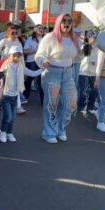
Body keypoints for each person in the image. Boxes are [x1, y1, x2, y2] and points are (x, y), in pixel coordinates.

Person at [35, 13, 79, 144]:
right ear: (59, 23)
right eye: (64, 21)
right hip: (52, 73)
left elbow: (76, 57)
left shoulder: (74, 39)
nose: (67, 23)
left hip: (68, 73)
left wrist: (84, 52)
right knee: (52, 104)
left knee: (71, 103)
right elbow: (39, 55)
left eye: (69, 21)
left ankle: (61, 129)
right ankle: (49, 132)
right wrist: (43, 61)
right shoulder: (50, 37)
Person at [0, 46, 42, 143]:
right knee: (8, 116)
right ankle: (2, 131)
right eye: (14, 56)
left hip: (15, 96)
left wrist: (43, 69)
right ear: (9, 56)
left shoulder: (21, 66)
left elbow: (32, 73)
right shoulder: (5, 66)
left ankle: (9, 133)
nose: (16, 58)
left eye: (18, 56)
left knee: (13, 118)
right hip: (6, 96)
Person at [77, 34, 98, 115]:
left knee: (94, 91)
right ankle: (80, 106)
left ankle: (90, 107)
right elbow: (82, 55)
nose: (94, 38)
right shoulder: (84, 46)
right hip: (83, 72)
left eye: (95, 37)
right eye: (92, 37)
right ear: (88, 38)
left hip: (94, 73)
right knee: (82, 90)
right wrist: (88, 45)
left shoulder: (99, 48)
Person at [23, 24, 44, 105]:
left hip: (41, 61)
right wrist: (35, 51)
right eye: (39, 28)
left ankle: (43, 101)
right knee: (29, 79)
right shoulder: (30, 39)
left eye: (42, 28)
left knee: (41, 81)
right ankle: (25, 97)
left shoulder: (45, 39)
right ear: (35, 31)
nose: (41, 29)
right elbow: (25, 51)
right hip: (31, 61)